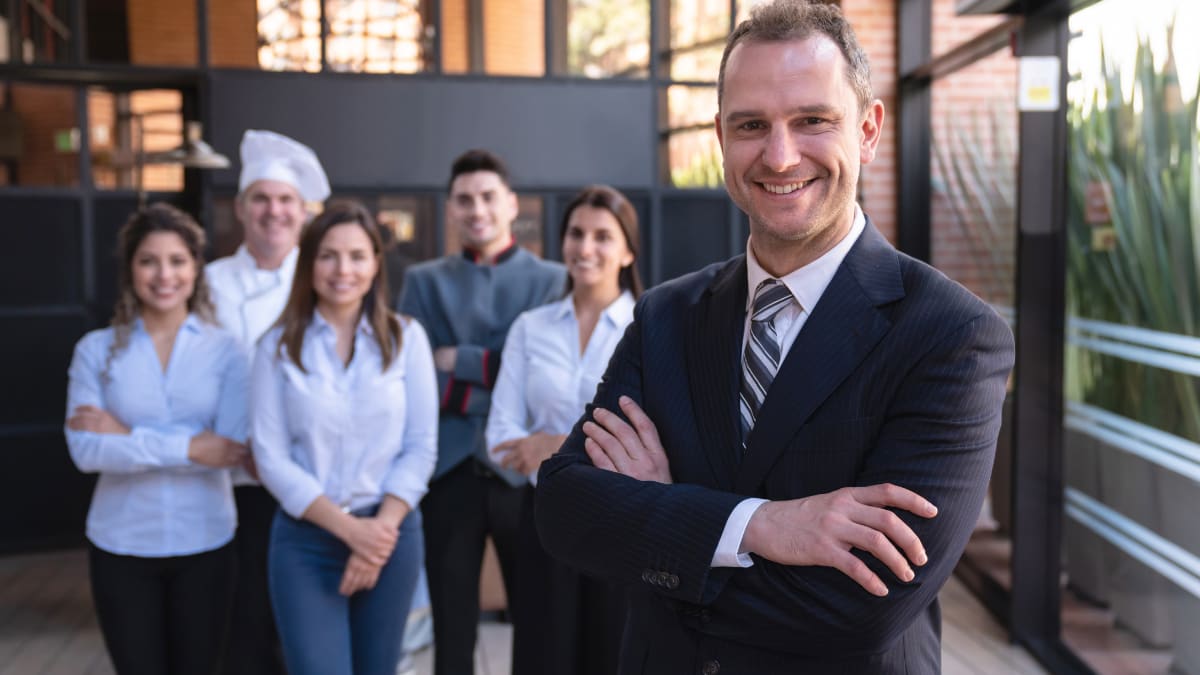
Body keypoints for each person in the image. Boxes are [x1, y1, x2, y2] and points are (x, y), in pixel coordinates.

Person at [535, 2, 1017, 673]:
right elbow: (563, 507)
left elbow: (860, 612)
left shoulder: (950, 336)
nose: (780, 154)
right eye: (751, 125)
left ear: (869, 129)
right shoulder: (665, 316)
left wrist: (661, 521)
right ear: (720, 138)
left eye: (813, 120)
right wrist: (760, 525)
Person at [250, 200, 437, 675]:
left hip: (391, 535)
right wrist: (352, 532)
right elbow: (270, 458)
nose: (343, 269)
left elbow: (420, 447)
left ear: (376, 263)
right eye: (328, 255)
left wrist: (379, 533)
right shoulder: (275, 347)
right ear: (308, 263)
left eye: (357, 256)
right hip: (306, 541)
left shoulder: (407, 338)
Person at [397, 149, 565, 675]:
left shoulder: (550, 280)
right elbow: (415, 377)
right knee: (451, 629)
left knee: (539, 621)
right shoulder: (422, 282)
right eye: (465, 200)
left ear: (512, 204)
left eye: (488, 197)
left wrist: (461, 359)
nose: (477, 210)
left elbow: (539, 375)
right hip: (448, 473)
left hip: (522, 471)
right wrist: (499, 373)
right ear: (450, 209)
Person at [65, 203, 248, 675]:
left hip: (206, 542)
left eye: (177, 261)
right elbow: (86, 452)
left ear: (196, 268)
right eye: (148, 261)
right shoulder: (95, 350)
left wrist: (125, 435)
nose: (164, 274)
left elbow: (228, 449)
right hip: (121, 544)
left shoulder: (227, 351)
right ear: (130, 269)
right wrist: (190, 446)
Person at [486, 185, 643, 675]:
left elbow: (658, 445)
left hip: (623, 524)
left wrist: (554, 446)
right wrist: (601, 447)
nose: (585, 247)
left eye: (602, 236)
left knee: (613, 657)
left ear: (628, 251)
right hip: (546, 524)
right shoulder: (530, 328)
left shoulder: (654, 325)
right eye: (576, 233)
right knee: (543, 658)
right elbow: (500, 438)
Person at [205, 129, 330, 675]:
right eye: (261, 198)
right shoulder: (204, 283)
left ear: (303, 212)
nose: (273, 211)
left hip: (310, 483)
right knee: (239, 630)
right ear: (240, 208)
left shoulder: (326, 279)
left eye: (285, 200)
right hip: (227, 486)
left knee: (303, 634)